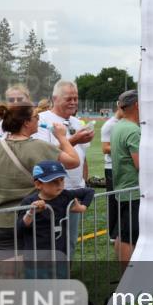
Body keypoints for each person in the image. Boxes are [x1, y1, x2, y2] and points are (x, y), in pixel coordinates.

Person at [0, 102, 79, 258]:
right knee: (36, 271)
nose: (38, 120)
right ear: (26, 122)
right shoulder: (41, 147)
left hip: (2, 221)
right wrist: (62, 137)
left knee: (8, 274)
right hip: (35, 220)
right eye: (36, 117)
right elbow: (74, 161)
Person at [34, 81, 94, 256]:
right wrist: (73, 140)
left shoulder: (77, 121)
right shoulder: (43, 120)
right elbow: (44, 158)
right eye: (69, 98)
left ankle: (65, 275)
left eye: (76, 98)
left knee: (70, 242)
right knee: (51, 241)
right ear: (55, 99)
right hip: (52, 193)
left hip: (73, 191)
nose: (74, 102)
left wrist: (84, 181)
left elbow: (82, 156)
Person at [17, 160, 95, 274]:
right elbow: (20, 227)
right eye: (53, 181)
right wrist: (31, 212)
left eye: (62, 180)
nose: (59, 185)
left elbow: (89, 191)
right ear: (38, 184)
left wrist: (82, 207)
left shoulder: (65, 195)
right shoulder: (29, 201)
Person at [110, 90, 141, 264]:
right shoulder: (133, 130)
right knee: (130, 235)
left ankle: (124, 276)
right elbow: (140, 164)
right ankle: (127, 277)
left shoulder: (119, 126)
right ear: (137, 105)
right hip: (133, 191)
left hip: (123, 188)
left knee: (122, 234)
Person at [101, 108, 122, 244]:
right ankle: (113, 235)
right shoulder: (110, 125)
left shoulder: (129, 123)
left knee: (124, 201)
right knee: (114, 201)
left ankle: (119, 231)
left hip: (124, 167)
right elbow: (105, 148)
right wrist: (125, 147)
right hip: (112, 167)